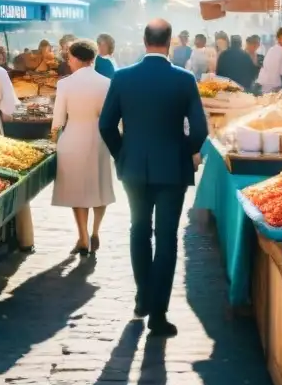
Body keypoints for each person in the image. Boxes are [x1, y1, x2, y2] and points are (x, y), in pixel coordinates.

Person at [99, 18, 208, 338]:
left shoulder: (122, 77)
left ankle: (142, 297)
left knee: (138, 231)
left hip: (133, 165)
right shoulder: (184, 79)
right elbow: (200, 130)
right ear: (170, 41)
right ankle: (158, 312)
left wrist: (122, 153)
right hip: (172, 168)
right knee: (167, 237)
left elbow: (106, 125)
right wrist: (184, 150)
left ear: (145, 40)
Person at [52, 40, 115, 255]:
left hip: (73, 138)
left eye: (69, 58)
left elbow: (58, 119)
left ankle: (82, 237)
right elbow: (112, 118)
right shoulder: (106, 83)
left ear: (78, 59)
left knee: (78, 189)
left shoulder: (65, 84)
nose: (68, 62)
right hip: (99, 139)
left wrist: (53, 137)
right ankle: (96, 231)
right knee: (100, 186)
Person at [257, 27, 282, 94]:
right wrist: (276, 88)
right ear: (279, 39)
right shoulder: (276, 50)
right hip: (271, 89)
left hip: (275, 88)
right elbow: (273, 72)